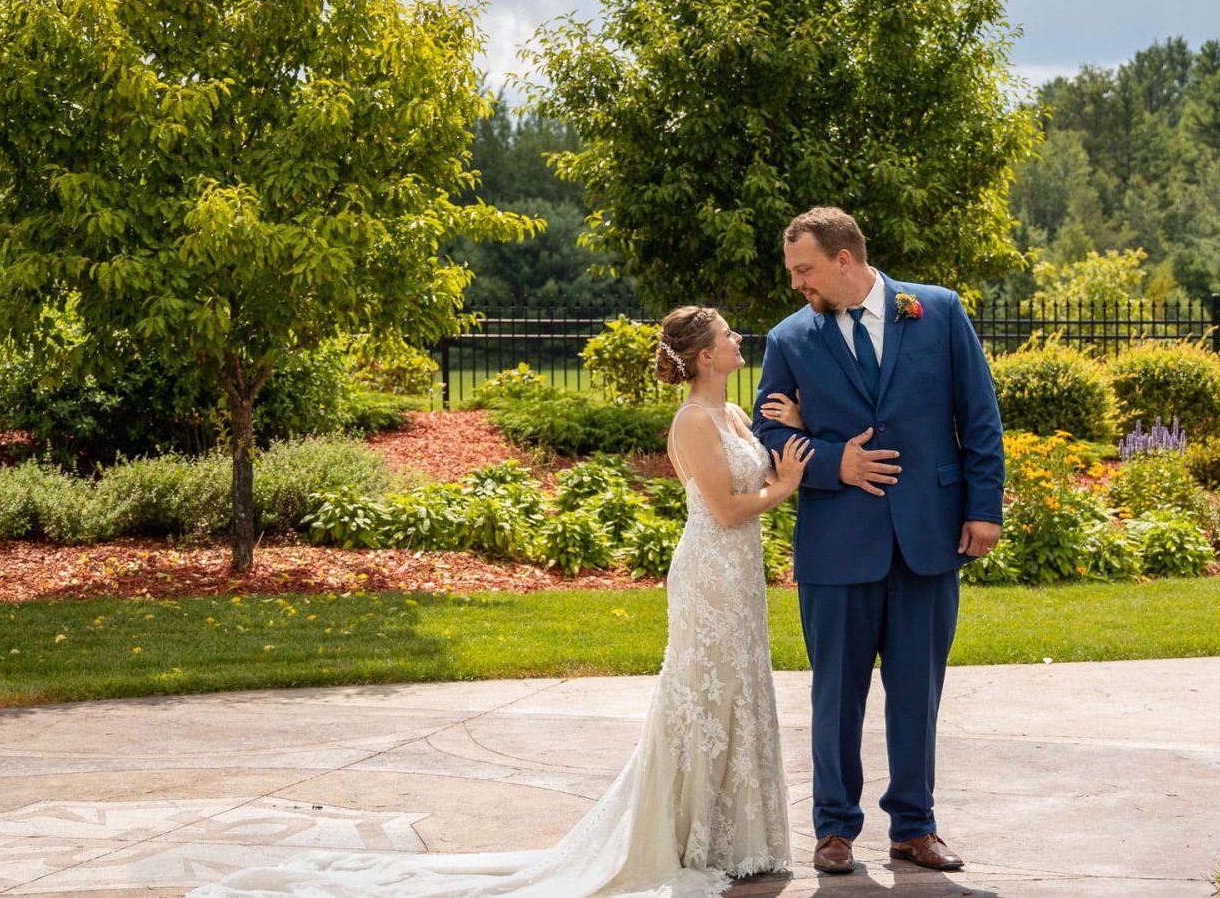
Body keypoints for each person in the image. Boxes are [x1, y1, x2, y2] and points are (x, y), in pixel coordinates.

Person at [187, 306, 812, 898]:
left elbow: (752, 472)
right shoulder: (692, 422)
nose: (738, 343)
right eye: (729, 337)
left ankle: (735, 840)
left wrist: (796, 430)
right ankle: (688, 840)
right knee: (702, 693)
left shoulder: (731, 414)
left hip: (740, 576)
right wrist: (783, 489)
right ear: (704, 356)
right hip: (709, 572)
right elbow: (729, 509)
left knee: (739, 690)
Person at [752, 207, 1005, 876]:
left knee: (918, 690)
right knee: (836, 691)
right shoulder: (789, 339)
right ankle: (834, 829)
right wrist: (837, 463)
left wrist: (985, 509)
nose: (797, 284)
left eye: (804, 270)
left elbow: (979, 415)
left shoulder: (939, 312)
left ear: (844, 259)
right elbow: (768, 433)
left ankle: (914, 828)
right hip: (837, 543)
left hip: (929, 535)